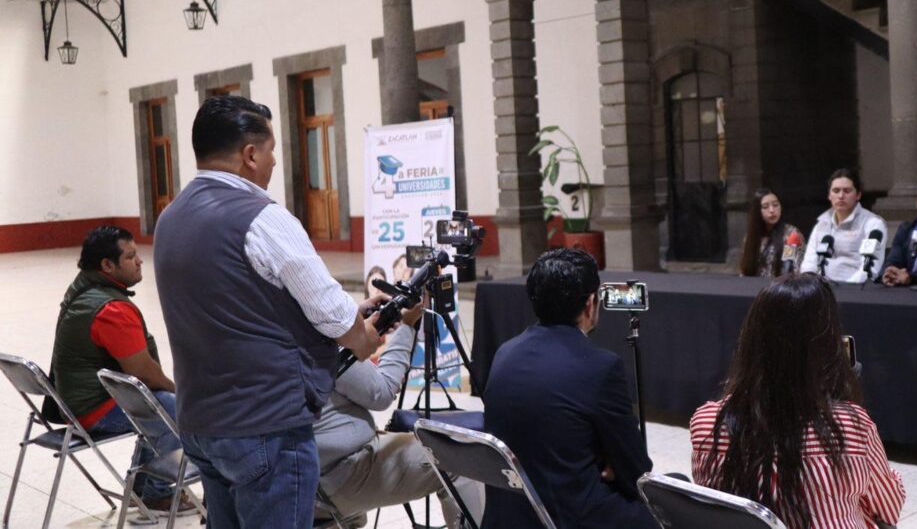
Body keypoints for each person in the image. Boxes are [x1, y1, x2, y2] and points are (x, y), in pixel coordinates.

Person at [154, 95, 386, 528]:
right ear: (250, 154)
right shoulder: (263, 218)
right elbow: (338, 320)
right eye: (273, 149)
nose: (275, 162)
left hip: (201, 421)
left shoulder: (170, 218)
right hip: (264, 428)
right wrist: (364, 335)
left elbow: (238, 305)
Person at [690, 274, 905, 528]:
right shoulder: (852, 425)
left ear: (751, 340)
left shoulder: (706, 422)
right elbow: (889, 509)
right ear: (827, 347)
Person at [482, 248, 655, 528]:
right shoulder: (601, 367)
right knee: (674, 498)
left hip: (509, 517)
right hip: (568, 517)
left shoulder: (505, 353)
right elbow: (637, 472)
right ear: (590, 303)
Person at [49, 225, 193, 514]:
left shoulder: (85, 288)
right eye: (130, 256)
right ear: (107, 265)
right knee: (171, 408)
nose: (140, 261)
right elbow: (143, 372)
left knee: (154, 405)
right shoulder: (111, 309)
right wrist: (181, 392)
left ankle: (145, 486)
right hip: (93, 408)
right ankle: (153, 493)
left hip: (72, 400)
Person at [315, 295, 484, 527]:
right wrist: (406, 327)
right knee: (459, 458)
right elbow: (382, 392)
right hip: (339, 472)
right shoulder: (320, 342)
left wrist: (355, 319)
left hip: (306, 468)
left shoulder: (276, 330)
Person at [799, 169, 888, 283]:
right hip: (821, 291)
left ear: (858, 195)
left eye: (847, 191)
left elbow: (870, 269)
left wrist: (845, 290)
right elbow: (809, 264)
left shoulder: (873, 224)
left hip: (855, 292)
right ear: (829, 196)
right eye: (836, 191)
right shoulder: (821, 224)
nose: (841, 196)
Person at [739, 188, 804, 277]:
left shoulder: (791, 234)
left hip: (781, 288)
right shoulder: (750, 238)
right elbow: (744, 271)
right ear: (757, 211)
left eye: (775, 205)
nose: (772, 210)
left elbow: (794, 270)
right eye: (765, 207)